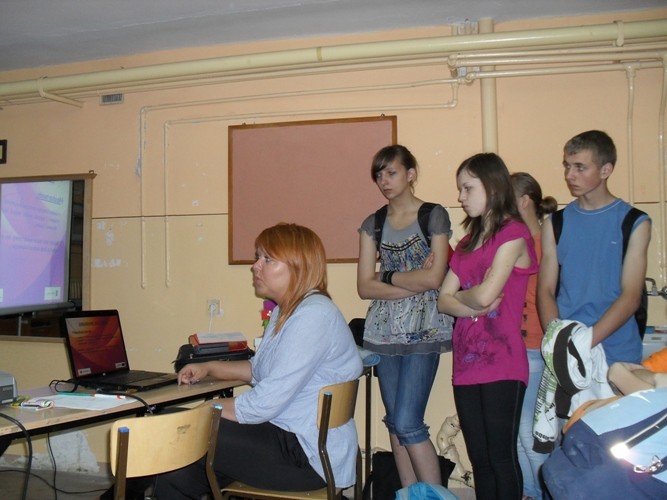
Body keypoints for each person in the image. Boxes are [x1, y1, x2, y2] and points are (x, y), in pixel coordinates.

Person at [152, 223, 363, 499]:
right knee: (178, 473)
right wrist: (208, 367)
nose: (255, 266)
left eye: (268, 259)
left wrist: (208, 409)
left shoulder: (313, 316)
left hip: (306, 456)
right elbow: (259, 370)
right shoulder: (287, 311)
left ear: (298, 267)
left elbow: (263, 403)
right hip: (288, 437)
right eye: (257, 257)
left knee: (173, 425)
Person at [437, 152, 537, 500]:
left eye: (468, 188)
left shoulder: (514, 233)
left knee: (500, 457)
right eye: (460, 189)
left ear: (492, 187)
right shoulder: (467, 243)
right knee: (479, 460)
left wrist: (465, 297)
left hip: (502, 361)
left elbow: (485, 296)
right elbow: (444, 300)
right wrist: (471, 301)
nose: (460, 197)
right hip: (466, 362)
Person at [357, 144, 454, 488]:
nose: (384, 181)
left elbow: (435, 279)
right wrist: (416, 281)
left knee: (408, 422)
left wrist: (386, 276)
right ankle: (410, 495)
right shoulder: (373, 223)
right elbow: (364, 287)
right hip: (382, 331)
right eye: (379, 175)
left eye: (391, 172)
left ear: (410, 174)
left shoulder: (434, 215)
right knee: (395, 424)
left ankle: (436, 497)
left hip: (425, 331)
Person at [537, 130, 652, 366]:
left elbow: (631, 297)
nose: (569, 175)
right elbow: (545, 290)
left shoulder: (634, 222)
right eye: (567, 166)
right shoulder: (555, 223)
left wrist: (585, 341)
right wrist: (558, 338)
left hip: (618, 353)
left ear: (605, 170)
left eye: (580, 167)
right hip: (568, 349)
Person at [511, 172, 558, 500]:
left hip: (535, 347)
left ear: (524, 201)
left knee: (530, 431)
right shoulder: (518, 242)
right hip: (517, 347)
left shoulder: (545, 243)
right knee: (517, 430)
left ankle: (546, 491)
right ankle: (530, 492)